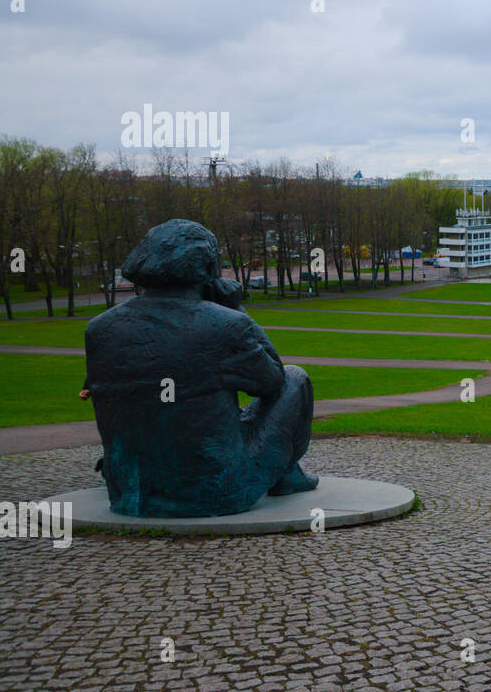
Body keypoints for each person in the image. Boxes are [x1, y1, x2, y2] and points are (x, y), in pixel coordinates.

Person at [82, 219, 316, 517]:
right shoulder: (226, 324)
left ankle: (285, 473)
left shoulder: (99, 328)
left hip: (129, 492)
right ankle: (286, 475)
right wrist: (235, 309)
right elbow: (272, 380)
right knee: (296, 379)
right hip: (215, 490)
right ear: (207, 270)